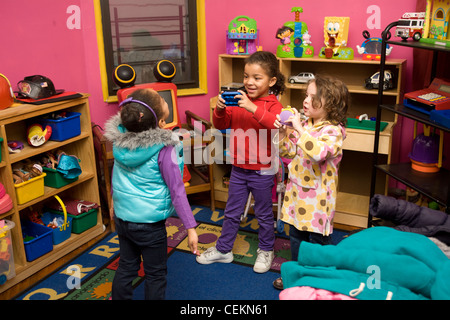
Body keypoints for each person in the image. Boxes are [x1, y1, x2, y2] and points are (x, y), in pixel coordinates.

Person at [104, 88, 199, 300]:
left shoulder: (120, 142)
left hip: (123, 218)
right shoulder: (165, 149)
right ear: (162, 124)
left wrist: (113, 202)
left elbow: (116, 175)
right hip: (149, 225)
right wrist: (191, 227)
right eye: (163, 101)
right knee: (155, 274)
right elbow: (176, 190)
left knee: (126, 266)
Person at [196, 51, 285, 273]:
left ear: (271, 81)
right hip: (238, 168)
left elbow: (275, 124)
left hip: (263, 170)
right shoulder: (237, 98)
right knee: (232, 211)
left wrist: (251, 107)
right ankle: (224, 249)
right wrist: (219, 109)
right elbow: (221, 125)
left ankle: (266, 249)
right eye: (246, 76)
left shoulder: (274, 105)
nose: (249, 82)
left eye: (257, 77)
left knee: (264, 214)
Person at [272, 74, 349, 289]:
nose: (305, 101)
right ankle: (296, 275)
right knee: (296, 239)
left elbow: (318, 152)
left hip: (318, 205)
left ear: (331, 105)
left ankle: (318, 281)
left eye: (312, 97)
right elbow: (288, 152)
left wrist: (299, 128)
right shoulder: (305, 124)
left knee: (317, 247)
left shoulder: (333, 131)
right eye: (306, 95)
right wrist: (282, 133)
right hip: (298, 199)